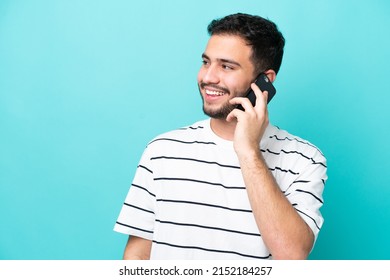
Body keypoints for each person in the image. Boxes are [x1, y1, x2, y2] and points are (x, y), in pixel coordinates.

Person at [114, 13, 327, 260]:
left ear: (264, 81)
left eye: (226, 66)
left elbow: (292, 255)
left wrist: (248, 152)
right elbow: (137, 257)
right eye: (206, 62)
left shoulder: (304, 159)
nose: (207, 77)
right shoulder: (162, 150)